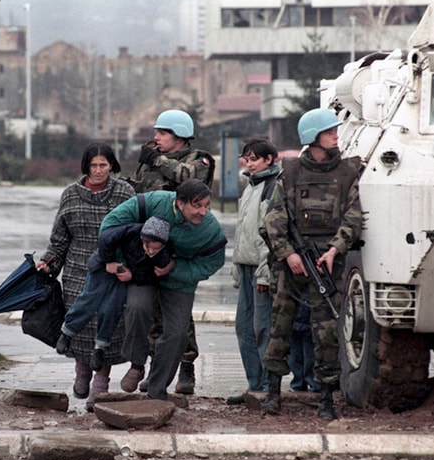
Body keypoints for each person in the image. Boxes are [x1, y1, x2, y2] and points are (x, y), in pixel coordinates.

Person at [261, 108, 362, 419]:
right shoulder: (289, 173)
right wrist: (288, 254)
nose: (336, 135)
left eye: (335, 130)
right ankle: (272, 391)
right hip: (291, 260)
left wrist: (334, 249)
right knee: (280, 325)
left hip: (327, 262)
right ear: (312, 138)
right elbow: (273, 220)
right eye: (329, 131)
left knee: (327, 330)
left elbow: (354, 216)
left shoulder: (347, 174)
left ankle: (326, 398)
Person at [100, 179, 226, 401]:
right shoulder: (152, 202)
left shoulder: (210, 229)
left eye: (207, 205)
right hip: (141, 271)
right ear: (180, 203)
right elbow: (110, 226)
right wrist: (118, 261)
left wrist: (175, 268)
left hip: (179, 280)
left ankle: (157, 389)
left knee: (177, 332)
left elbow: (213, 262)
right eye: (197, 206)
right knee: (138, 308)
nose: (203, 212)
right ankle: (137, 363)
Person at [36, 142, 135, 410]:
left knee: (109, 327)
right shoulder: (70, 195)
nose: (99, 170)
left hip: (113, 271)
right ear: (86, 167)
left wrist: (127, 267)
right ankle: (82, 372)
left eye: (104, 165)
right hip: (78, 271)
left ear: (112, 165)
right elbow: (60, 239)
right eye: (94, 165)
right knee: (79, 326)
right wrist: (47, 262)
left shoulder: (125, 193)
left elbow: (133, 236)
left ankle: (100, 386)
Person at [130, 109, 215, 395]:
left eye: (162, 133)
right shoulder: (150, 161)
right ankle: (158, 368)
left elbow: (187, 178)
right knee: (154, 310)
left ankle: (186, 366)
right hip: (151, 244)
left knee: (179, 311)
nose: (156, 138)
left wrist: (157, 160)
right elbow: (139, 194)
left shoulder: (198, 160)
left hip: (181, 244)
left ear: (179, 136)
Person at [54, 216, 172, 372]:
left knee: (111, 309)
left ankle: (100, 348)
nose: (150, 251)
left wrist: (133, 276)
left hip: (124, 277)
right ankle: (67, 332)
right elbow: (105, 238)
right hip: (103, 266)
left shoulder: (162, 255)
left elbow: (153, 276)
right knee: (88, 300)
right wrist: (109, 261)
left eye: (155, 249)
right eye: (147, 245)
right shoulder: (131, 231)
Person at [226, 138, 281, 406]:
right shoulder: (250, 186)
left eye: (254, 158)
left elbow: (269, 235)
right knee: (244, 328)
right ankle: (254, 384)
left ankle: (271, 387)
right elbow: (242, 231)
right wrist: (238, 267)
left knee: (263, 329)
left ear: (269, 159)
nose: (248, 163)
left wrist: (263, 273)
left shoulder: (273, 186)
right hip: (246, 268)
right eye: (246, 158)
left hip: (262, 271)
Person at [288, 295, 320, 392]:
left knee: (309, 356)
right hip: (295, 321)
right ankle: (299, 382)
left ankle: (310, 383)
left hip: (306, 321)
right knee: (295, 356)